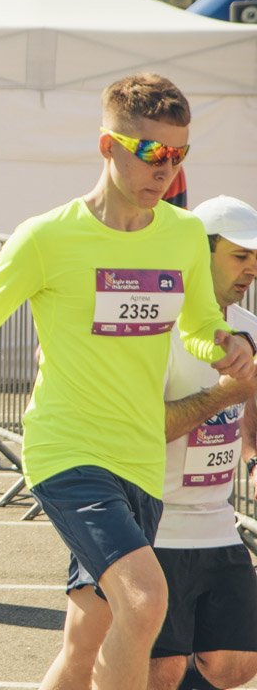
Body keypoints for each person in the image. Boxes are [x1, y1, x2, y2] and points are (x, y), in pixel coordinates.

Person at [0, 73, 257, 690]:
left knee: (87, 644)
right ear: (109, 147)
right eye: (153, 152)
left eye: (179, 155)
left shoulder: (183, 234)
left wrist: (226, 345)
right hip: (68, 454)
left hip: (139, 460)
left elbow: (197, 323)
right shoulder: (47, 237)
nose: (167, 169)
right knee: (146, 600)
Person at [149, 195, 257, 690]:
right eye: (239, 257)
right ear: (199, 251)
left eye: (256, 261)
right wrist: (220, 396)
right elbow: (146, 427)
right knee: (161, 669)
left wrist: (255, 461)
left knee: (238, 662)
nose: (250, 271)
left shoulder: (250, 329)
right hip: (153, 524)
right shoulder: (158, 330)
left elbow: (250, 413)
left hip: (217, 520)